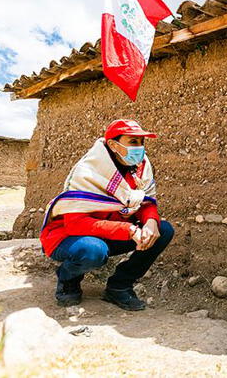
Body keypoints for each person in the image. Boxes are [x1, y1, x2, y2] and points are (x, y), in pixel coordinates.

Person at [39, 119, 174, 311]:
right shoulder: (88, 172)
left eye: (142, 143)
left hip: (108, 234)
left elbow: (145, 203)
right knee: (93, 250)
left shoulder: (139, 169)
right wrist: (129, 230)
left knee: (164, 230)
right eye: (133, 142)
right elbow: (75, 225)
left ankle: (119, 286)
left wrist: (151, 222)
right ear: (112, 144)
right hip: (69, 238)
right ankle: (68, 278)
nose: (140, 148)